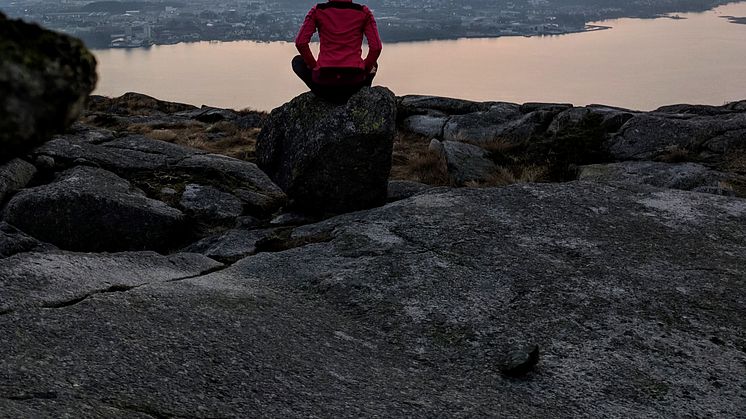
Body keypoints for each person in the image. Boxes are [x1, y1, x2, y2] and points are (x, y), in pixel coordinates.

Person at [293, 0, 382, 103]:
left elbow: (300, 42)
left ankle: (322, 96)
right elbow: (376, 48)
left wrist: (314, 67)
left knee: (298, 62)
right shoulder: (363, 12)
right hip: (354, 84)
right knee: (373, 64)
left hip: (324, 84)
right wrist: (364, 70)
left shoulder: (318, 10)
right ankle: (362, 91)